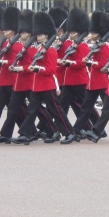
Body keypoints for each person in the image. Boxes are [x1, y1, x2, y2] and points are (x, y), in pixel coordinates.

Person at [11, 12, 75, 145]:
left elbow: (51, 70)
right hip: (37, 86)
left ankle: (69, 132)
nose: (37, 36)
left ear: (46, 35)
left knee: (56, 111)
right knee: (31, 111)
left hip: (47, 86)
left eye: (39, 34)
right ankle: (25, 134)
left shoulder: (51, 50)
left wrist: (38, 69)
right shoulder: (39, 49)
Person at [73, 10, 109, 141]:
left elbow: (103, 64)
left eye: (94, 32)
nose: (91, 35)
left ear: (100, 33)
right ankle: (76, 131)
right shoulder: (95, 46)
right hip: (93, 83)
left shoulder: (105, 47)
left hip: (102, 82)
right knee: (85, 108)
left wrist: (89, 62)